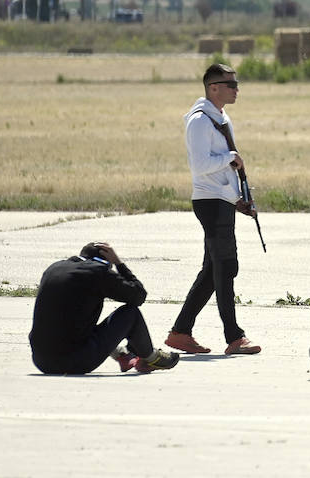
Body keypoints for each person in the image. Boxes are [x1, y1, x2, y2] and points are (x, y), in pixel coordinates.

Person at [165, 63, 261, 356]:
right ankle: (234, 337)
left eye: (237, 84)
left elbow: (221, 170)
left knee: (212, 271)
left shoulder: (220, 118)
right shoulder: (199, 122)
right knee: (226, 267)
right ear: (213, 87)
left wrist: (237, 200)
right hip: (208, 203)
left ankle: (180, 332)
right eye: (230, 85)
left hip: (221, 201)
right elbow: (201, 167)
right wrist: (231, 157)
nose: (236, 89)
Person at [29, 241, 179, 374]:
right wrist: (119, 264)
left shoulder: (54, 269)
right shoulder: (97, 271)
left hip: (41, 361)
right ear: (105, 262)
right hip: (75, 361)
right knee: (130, 313)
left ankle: (123, 355)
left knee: (74, 319)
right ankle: (150, 358)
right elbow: (138, 295)